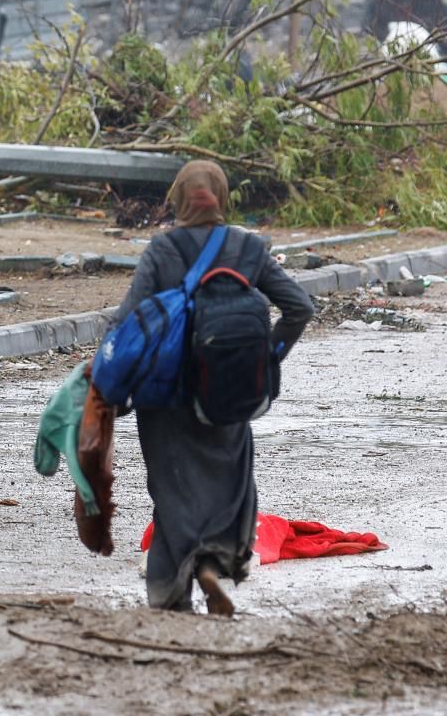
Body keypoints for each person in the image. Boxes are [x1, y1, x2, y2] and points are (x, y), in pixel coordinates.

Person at [114, 160, 314, 616]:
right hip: (227, 388)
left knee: (170, 486)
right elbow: (300, 307)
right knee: (229, 483)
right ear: (222, 197)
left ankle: (171, 589)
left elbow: (128, 318)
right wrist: (264, 361)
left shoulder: (162, 250)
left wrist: (104, 373)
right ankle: (212, 564)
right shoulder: (249, 248)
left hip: (163, 394)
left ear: (179, 198)